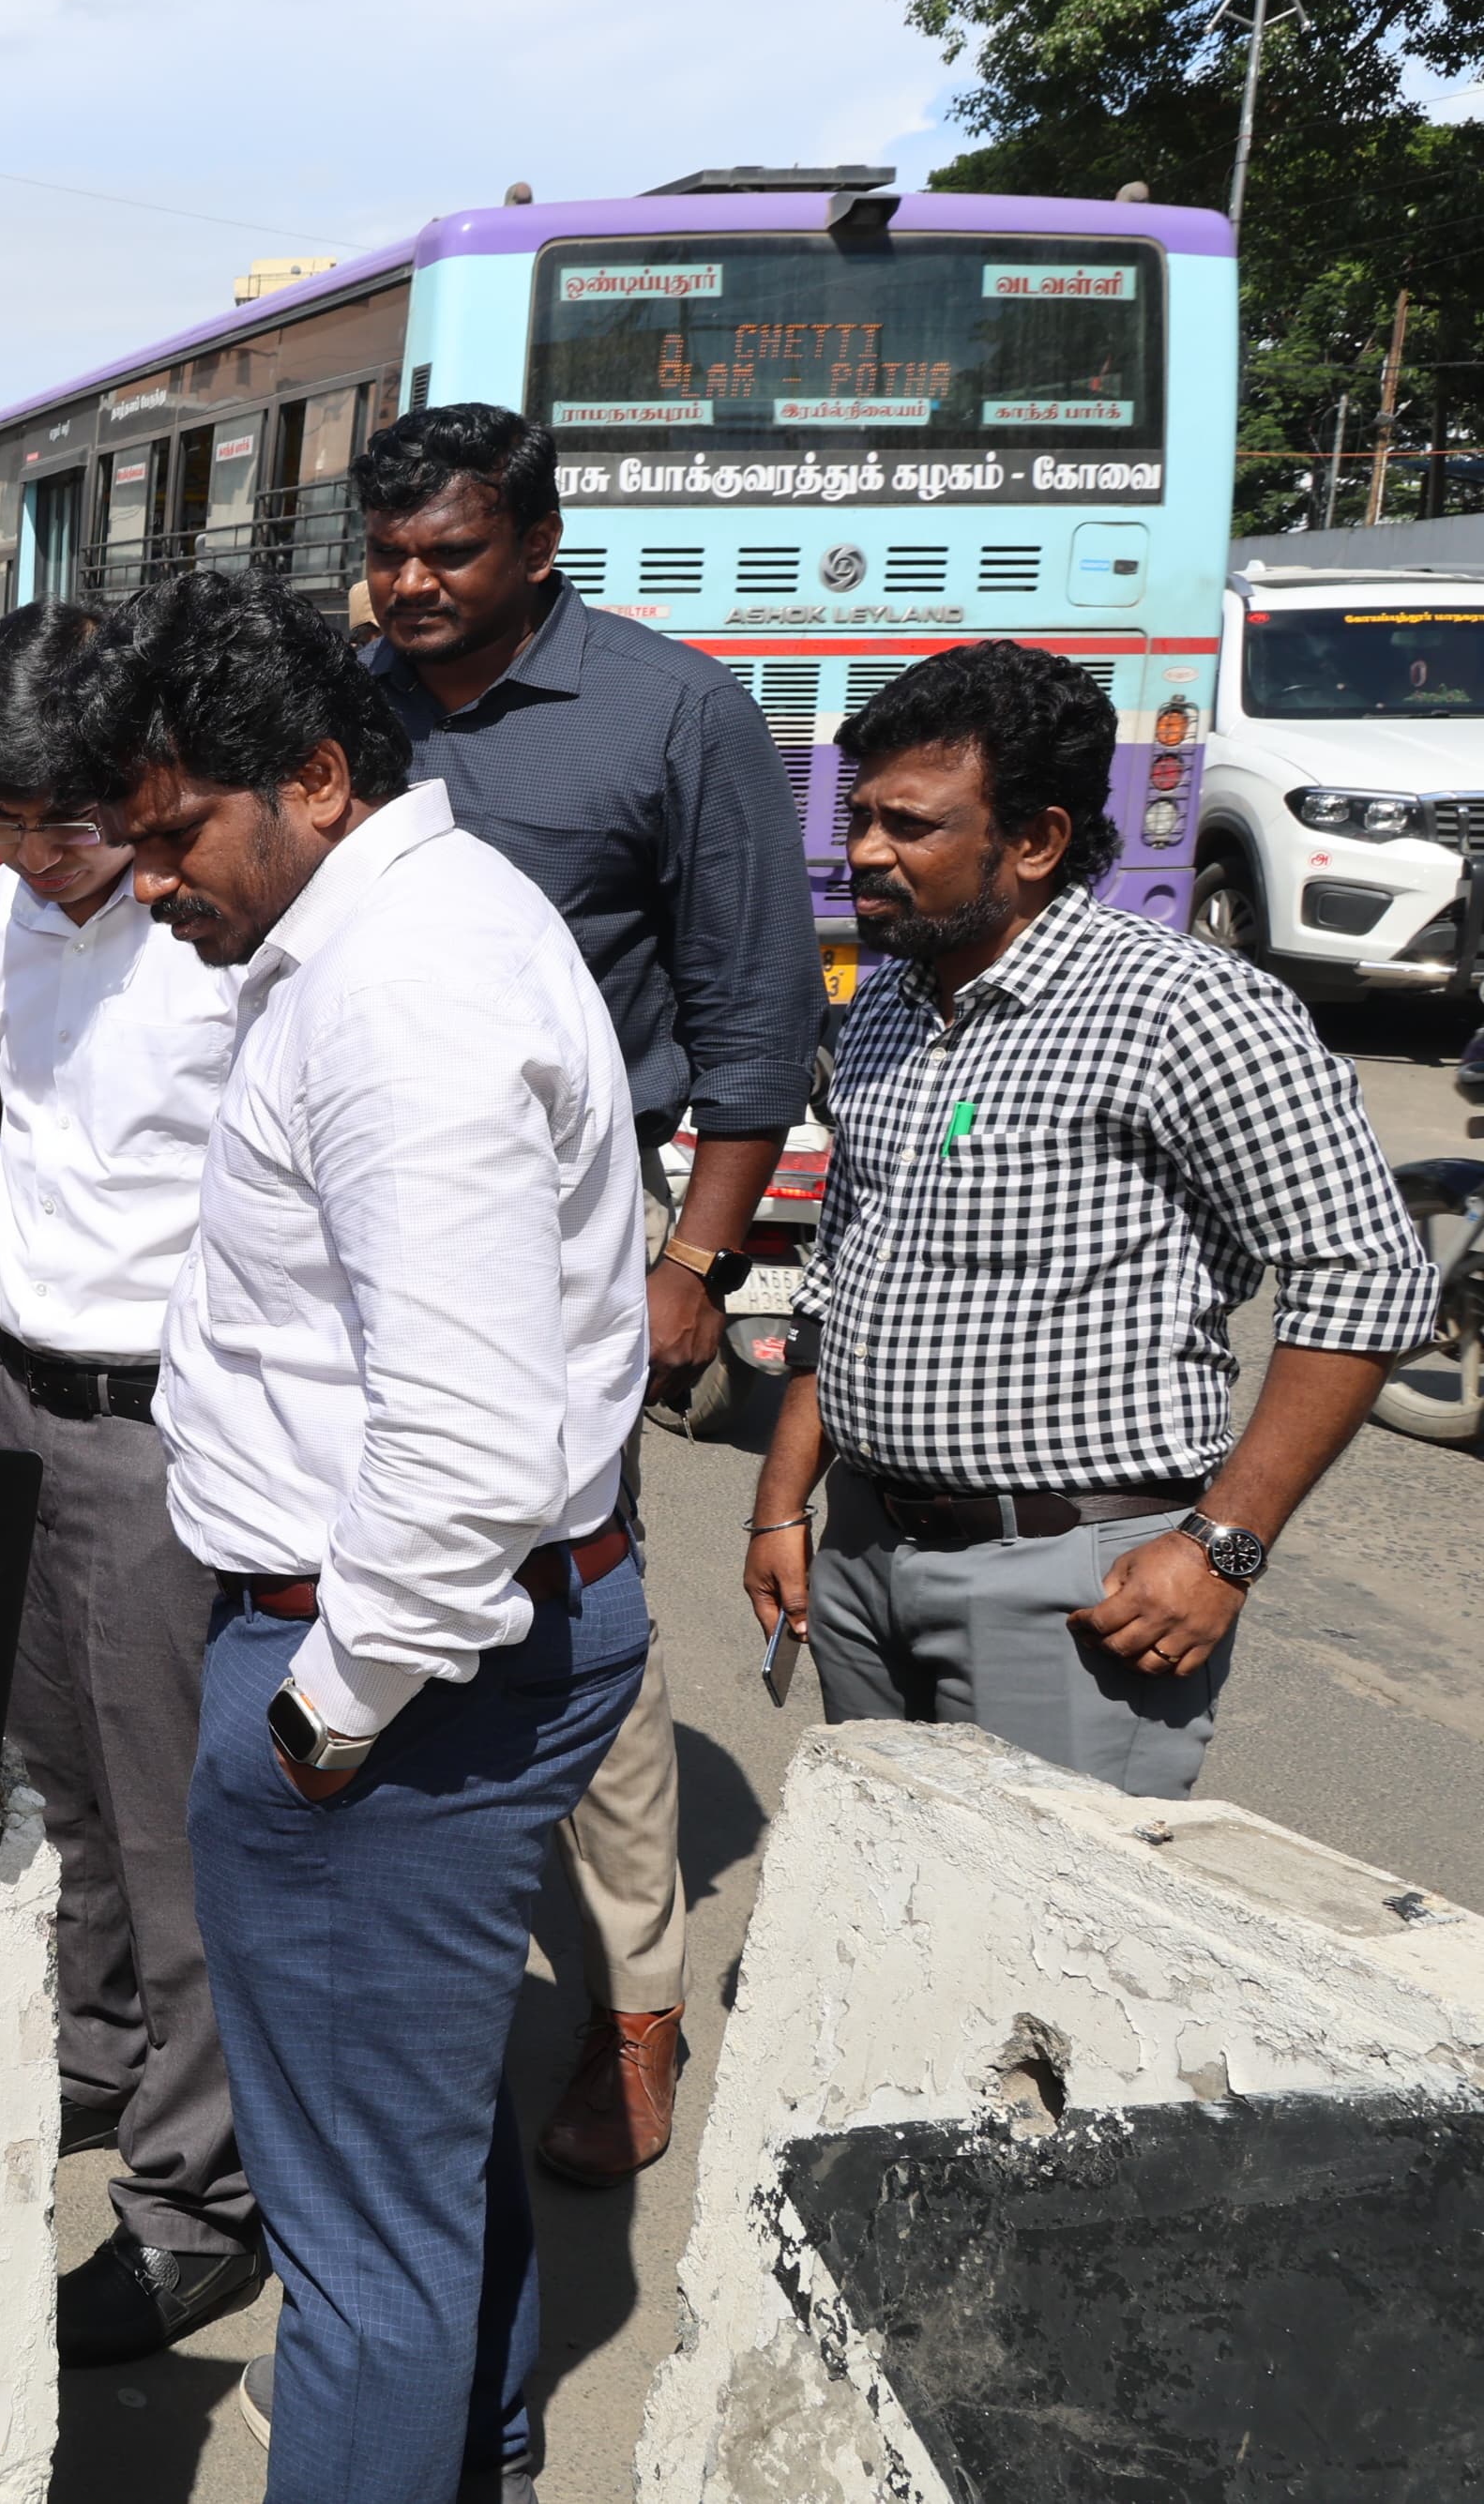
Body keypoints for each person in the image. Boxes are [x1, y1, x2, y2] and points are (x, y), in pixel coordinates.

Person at [101, 570, 646, 2504]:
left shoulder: (402, 988)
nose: (148, 882)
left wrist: (325, 1714)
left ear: (317, 779)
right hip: (416, 1643)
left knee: (355, 2243)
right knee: (401, 2151)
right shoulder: (396, 931)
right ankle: (473, 2456)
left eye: (173, 834)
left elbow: (468, 1441)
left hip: (395, 1668)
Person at [354, 401, 819, 2187]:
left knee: (567, 1595)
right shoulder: (344, 708)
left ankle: (634, 2007)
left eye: (450, 552)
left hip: (572, 1221)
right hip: (345, 1218)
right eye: (386, 555)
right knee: (364, 1567)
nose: (410, 586)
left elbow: (752, 1006)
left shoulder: (672, 712)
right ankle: (401, 1953)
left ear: (540, 546)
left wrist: (696, 1261)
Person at [747, 640, 1430, 1793]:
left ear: (1034, 840)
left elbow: (1364, 1274)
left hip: (1069, 1585)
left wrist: (1222, 1546)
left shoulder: (1184, 1007)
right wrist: (778, 1506)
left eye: (908, 824)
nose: (861, 849)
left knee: (1037, 1907)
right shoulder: (887, 1005)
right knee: (878, 1888)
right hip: (863, 1555)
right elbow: (840, 1270)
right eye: (857, 815)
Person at [0, 602, 262, 2363]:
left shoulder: (214, 933)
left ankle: (196, 2203)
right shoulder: (14, 901)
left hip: (165, 1434)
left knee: (170, 1828)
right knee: (49, 1782)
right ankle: (96, 2054)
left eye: (69, 822)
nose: (37, 858)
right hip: (23, 1389)